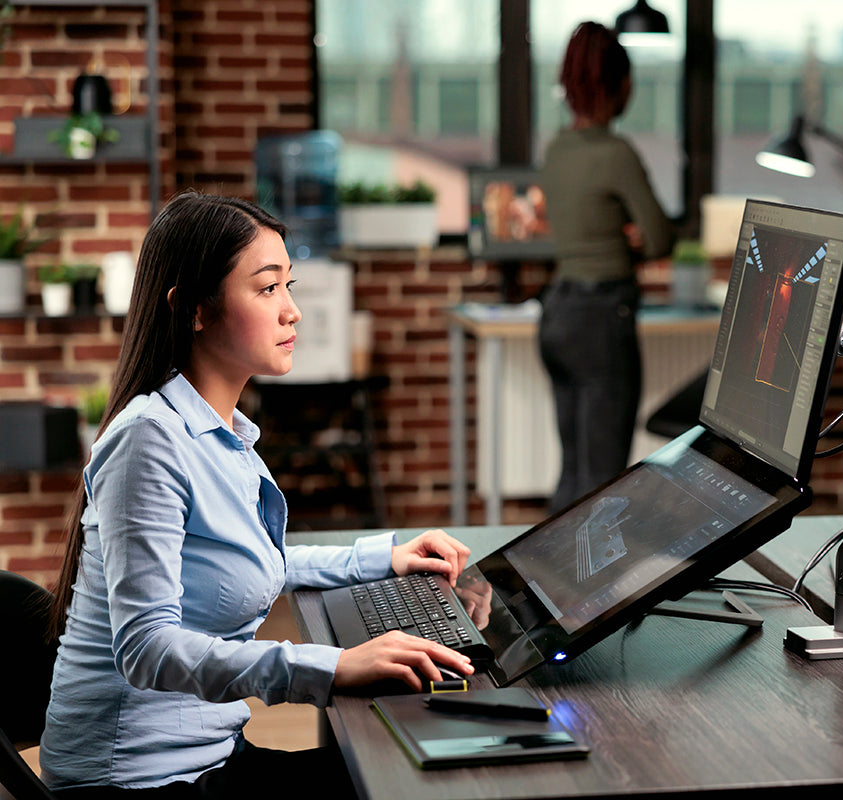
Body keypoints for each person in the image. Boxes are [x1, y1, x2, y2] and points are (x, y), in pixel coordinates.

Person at [40, 192, 477, 798]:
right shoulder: (148, 441)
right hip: (138, 782)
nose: (293, 311)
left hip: (210, 753)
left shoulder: (221, 433)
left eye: (288, 286)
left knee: (413, 770)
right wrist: (331, 667)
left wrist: (385, 557)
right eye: (267, 289)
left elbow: (245, 563)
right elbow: (146, 647)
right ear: (194, 309)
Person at [538, 21, 676, 513]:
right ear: (621, 86)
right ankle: (588, 589)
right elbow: (660, 237)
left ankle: (543, 583)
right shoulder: (616, 154)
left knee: (575, 468)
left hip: (557, 313)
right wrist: (629, 240)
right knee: (601, 483)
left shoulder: (555, 150)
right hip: (601, 319)